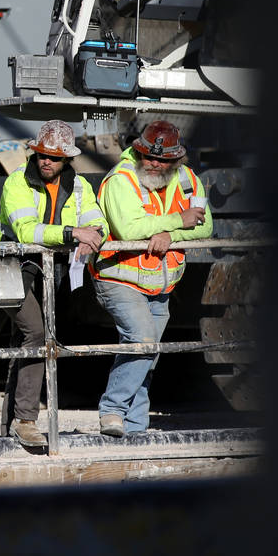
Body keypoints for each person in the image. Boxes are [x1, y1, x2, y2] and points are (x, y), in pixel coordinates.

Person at [91, 120, 212, 437]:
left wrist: (169, 233)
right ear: (139, 151)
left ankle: (134, 429)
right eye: (148, 156)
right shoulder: (121, 179)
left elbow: (205, 226)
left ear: (176, 160)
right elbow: (129, 229)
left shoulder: (188, 180)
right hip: (119, 278)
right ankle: (112, 413)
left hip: (160, 285)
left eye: (162, 160)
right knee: (143, 342)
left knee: (147, 357)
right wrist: (178, 220)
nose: (154, 164)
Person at [0, 120, 107, 448]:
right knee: (35, 334)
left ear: (67, 160)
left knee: (24, 341)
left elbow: (96, 220)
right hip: (8, 267)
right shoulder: (17, 183)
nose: (46, 161)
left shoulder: (80, 186)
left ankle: (8, 428)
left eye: (54, 158)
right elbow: (28, 232)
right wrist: (73, 234)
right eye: (41, 155)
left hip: (42, 268)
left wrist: (93, 235)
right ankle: (26, 422)